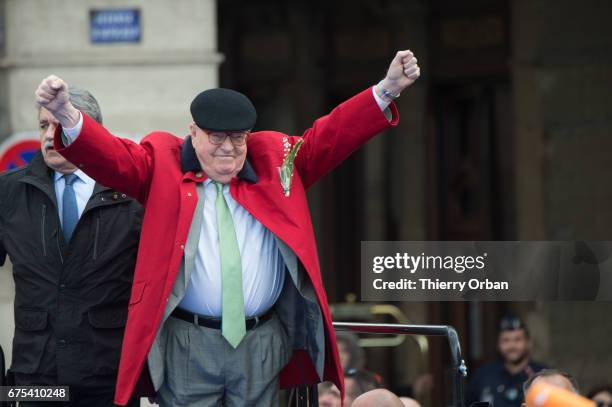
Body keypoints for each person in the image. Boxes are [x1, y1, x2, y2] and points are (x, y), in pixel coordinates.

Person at [35, 49, 420, 406]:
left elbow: (331, 135)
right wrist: (67, 115)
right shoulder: (161, 162)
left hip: (262, 339)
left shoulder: (276, 159)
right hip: (189, 341)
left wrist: (386, 90)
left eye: (237, 138)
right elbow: (114, 157)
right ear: (194, 132)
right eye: (216, 136)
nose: (228, 148)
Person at [0, 88, 143, 406]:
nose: (50, 136)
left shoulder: (131, 192)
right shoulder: (8, 192)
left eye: (61, 125)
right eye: (43, 125)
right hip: (34, 379)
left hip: (108, 379)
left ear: (92, 134)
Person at [466, 315, 546, 407]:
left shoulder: (542, 376)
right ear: (498, 344)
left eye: (517, 339)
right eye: (506, 340)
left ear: (528, 343)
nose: (512, 346)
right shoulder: (483, 375)